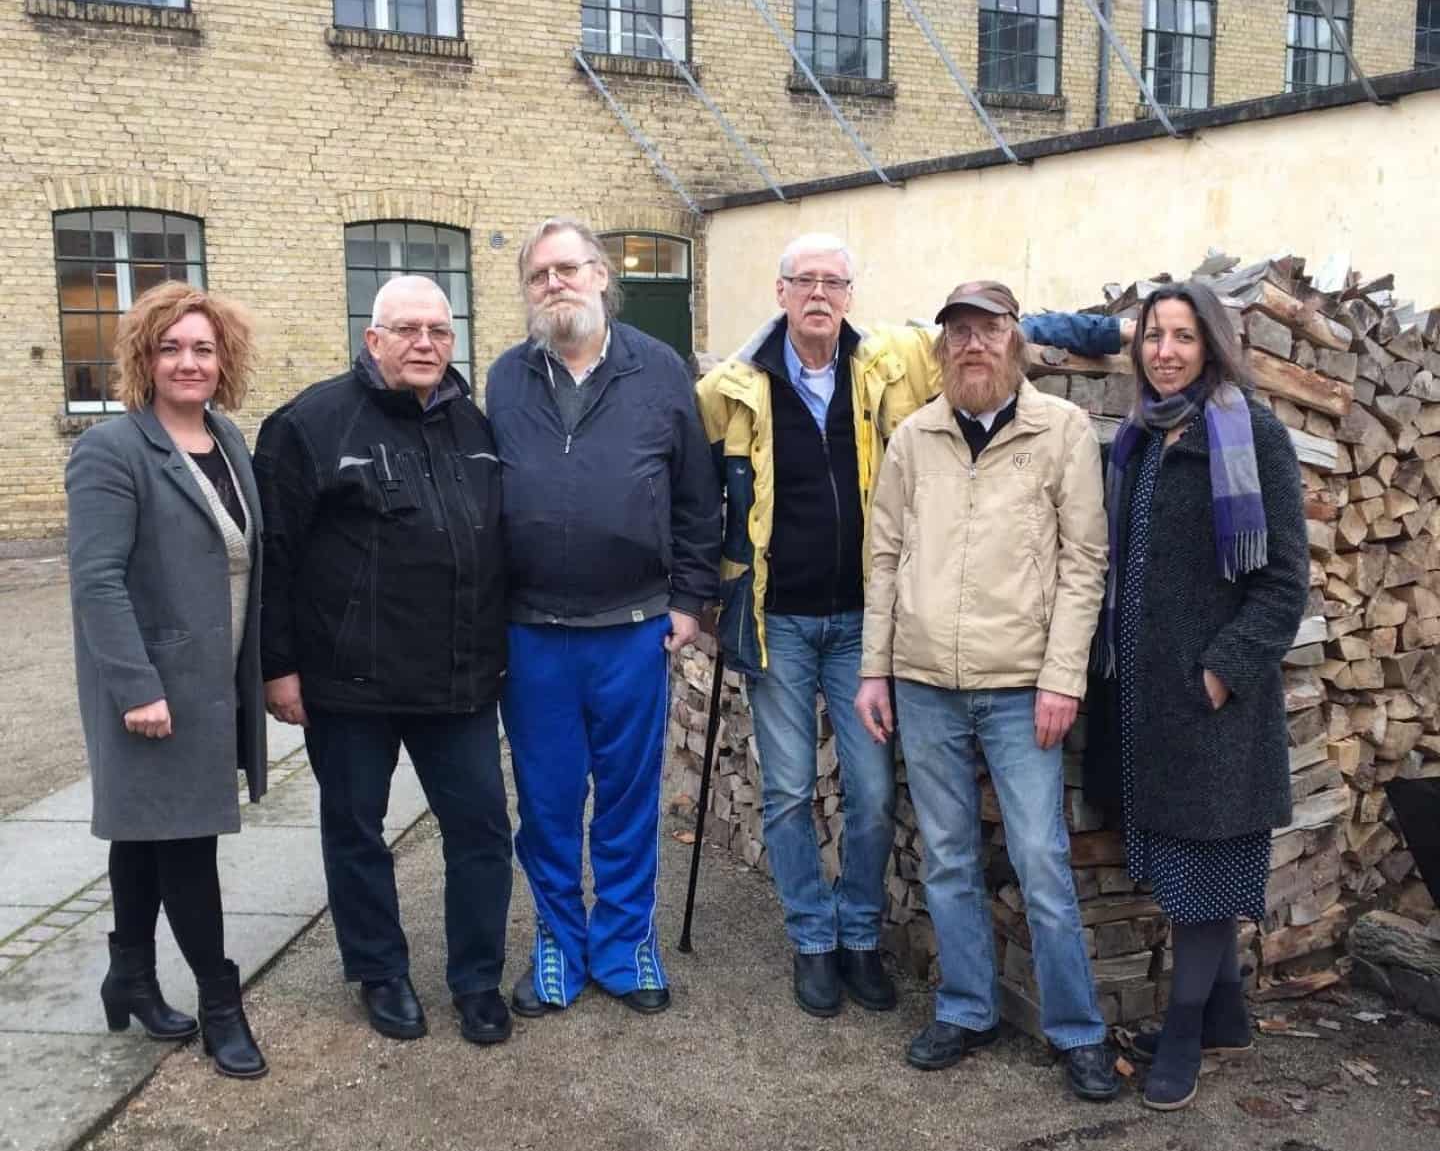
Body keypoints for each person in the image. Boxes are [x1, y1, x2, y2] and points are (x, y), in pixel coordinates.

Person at [699, 240, 1128, 1020]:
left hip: (868, 621)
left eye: (833, 281)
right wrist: (693, 590)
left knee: (868, 792)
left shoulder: (891, 360)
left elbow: (1002, 333)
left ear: (852, 293)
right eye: (805, 282)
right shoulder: (732, 386)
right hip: (781, 622)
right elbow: (686, 481)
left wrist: (1111, 332)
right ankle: (814, 941)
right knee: (790, 791)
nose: (819, 294)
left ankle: (861, 933)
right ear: (781, 290)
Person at [855, 280, 1118, 1102]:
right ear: (942, 348)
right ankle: (967, 1009)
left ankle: (1078, 1031)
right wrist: (875, 667)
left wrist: (1062, 677)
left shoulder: (1062, 431)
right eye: (959, 332)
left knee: (1040, 859)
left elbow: (1085, 565)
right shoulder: (913, 438)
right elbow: (885, 557)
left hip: (1020, 688)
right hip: (926, 683)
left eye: (989, 330)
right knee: (948, 857)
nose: (974, 345)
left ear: (1017, 341)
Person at [253, 276, 513, 1048]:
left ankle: (476, 979)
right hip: (351, 683)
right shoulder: (310, 423)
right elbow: (274, 557)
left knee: (482, 831)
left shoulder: (476, 424)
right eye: (406, 330)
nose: (425, 343)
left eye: (439, 329)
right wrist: (279, 667)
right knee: (355, 829)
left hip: (458, 679)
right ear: (373, 340)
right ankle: (379, 970)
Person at [486, 217, 720, 1018]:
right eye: (540, 273)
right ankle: (558, 943)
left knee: (627, 797)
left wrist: (689, 600)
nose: (557, 283)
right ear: (527, 292)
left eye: (570, 268)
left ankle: (625, 945)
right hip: (533, 631)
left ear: (601, 277)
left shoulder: (658, 370)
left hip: (633, 626)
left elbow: (697, 497)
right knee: (548, 800)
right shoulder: (504, 379)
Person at [1084, 280, 1307, 1110]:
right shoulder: (1140, 439)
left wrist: (1218, 673)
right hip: (1146, 703)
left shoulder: (1252, 436)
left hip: (1215, 708)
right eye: (1153, 337)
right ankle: (1226, 1015)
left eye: (1182, 336)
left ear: (1211, 345)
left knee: (1205, 873)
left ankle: (1183, 1035)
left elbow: (1284, 584)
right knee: (1174, 862)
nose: (1165, 351)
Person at [66, 281, 268, 1080]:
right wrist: (135, 688)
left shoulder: (228, 439)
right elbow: (97, 583)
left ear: (224, 360)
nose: (188, 362)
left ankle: (130, 976)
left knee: (143, 834)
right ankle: (222, 1002)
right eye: (171, 347)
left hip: (215, 683)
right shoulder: (112, 451)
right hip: (154, 687)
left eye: (203, 348)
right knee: (185, 845)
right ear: (144, 359)